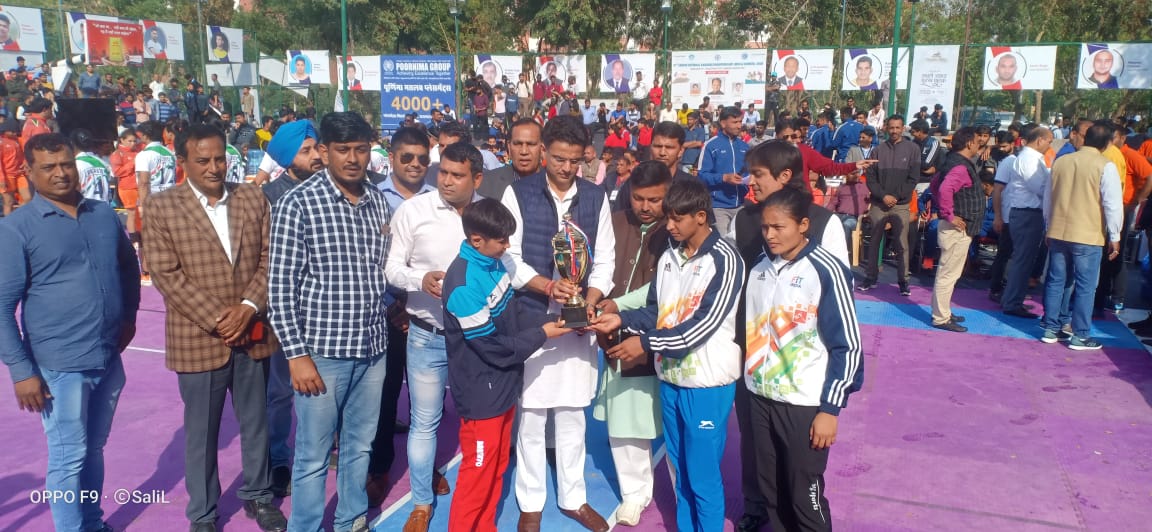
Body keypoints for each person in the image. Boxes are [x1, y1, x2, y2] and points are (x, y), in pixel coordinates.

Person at [142, 124, 287, 532]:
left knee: (256, 422)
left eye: (219, 158)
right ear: (182, 162)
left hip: (253, 331)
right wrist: (222, 319)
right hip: (198, 338)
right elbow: (167, 275)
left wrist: (247, 307)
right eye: (203, 160)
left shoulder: (252, 198)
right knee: (202, 433)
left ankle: (259, 497)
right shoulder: (161, 207)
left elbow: (269, 259)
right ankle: (203, 512)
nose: (214, 167)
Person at [0, 133, 140, 532]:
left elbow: (128, 268)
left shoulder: (101, 213)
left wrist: (128, 316)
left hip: (106, 356)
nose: (61, 173)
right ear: (28, 171)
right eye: (49, 167)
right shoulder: (16, 229)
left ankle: (93, 523)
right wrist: (22, 371)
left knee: (93, 450)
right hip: (58, 366)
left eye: (66, 164)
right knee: (67, 457)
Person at [589, 178, 744, 532]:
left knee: (702, 476)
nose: (669, 226)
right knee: (681, 473)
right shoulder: (670, 258)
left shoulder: (726, 260)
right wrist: (622, 319)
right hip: (671, 380)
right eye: (668, 219)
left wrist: (643, 344)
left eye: (677, 219)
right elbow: (656, 311)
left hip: (707, 384)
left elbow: (702, 326)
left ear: (702, 216)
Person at [269, 112, 392, 532]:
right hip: (321, 355)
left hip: (373, 350)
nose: (353, 158)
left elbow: (380, 270)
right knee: (312, 454)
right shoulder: (297, 203)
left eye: (361, 149)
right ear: (324, 152)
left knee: (360, 446)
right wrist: (297, 355)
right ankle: (304, 525)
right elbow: (280, 287)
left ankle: (350, 518)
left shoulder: (378, 200)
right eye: (343, 150)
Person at [500, 115, 614, 532]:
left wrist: (590, 300)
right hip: (532, 316)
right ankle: (530, 501)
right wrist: (548, 286)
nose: (567, 168)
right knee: (530, 414)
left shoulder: (596, 196)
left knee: (571, 413)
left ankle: (573, 497)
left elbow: (605, 260)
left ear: (586, 158)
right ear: (545, 152)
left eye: (575, 161)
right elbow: (508, 257)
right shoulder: (518, 192)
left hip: (578, 323)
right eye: (560, 159)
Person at [442, 199, 571, 532]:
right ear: (476, 239)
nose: (508, 246)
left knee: (497, 466)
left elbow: (511, 320)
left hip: (502, 386)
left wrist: (551, 320)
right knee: (477, 475)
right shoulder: (463, 285)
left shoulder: (493, 263)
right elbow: (493, 348)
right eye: (502, 240)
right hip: (481, 395)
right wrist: (543, 333)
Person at [743, 184, 863, 532]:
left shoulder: (827, 270)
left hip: (804, 403)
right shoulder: (759, 267)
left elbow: (848, 345)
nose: (770, 235)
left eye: (779, 227)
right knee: (771, 490)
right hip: (760, 397)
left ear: (803, 225)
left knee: (804, 494)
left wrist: (830, 409)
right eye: (765, 227)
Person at [384, 142, 485, 530]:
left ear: (476, 178)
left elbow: (507, 264)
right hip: (426, 336)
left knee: (475, 420)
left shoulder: (488, 213)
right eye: (442, 172)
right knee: (424, 421)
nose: (445, 181)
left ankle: (477, 497)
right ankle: (422, 503)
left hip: (476, 339)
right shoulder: (413, 211)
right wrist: (419, 281)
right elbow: (391, 269)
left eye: (456, 175)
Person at [590, 161, 670, 526]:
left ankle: (683, 496)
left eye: (654, 199)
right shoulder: (616, 220)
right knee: (625, 418)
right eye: (639, 198)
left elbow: (660, 292)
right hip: (613, 331)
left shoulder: (679, 227)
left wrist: (618, 306)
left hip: (665, 333)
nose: (646, 206)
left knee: (673, 424)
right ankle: (634, 494)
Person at [257, 120, 322, 498]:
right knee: (281, 390)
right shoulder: (267, 197)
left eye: (316, 148)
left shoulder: (335, 190)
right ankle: (279, 458)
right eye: (305, 151)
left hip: (326, 311)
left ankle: (320, 447)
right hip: (286, 313)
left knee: (325, 388)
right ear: (285, 158)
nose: (315, 156)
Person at [928, 127, 984, 332]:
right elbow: (942, 189)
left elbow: (935, 186)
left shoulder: (951, 163)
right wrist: (950, 214)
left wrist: (947, 212)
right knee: (948, 274)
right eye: (978, 141)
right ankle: (941, 317)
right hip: (955, 229)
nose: (980, 145)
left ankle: (943, 312)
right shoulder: (960, 167)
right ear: (969, 143)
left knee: (949, 272)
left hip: (954, 227)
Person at [858, 115, 921, 295]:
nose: (894, 131)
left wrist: (896, 196)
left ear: (903, 128)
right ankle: (870, 278)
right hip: (879, 203)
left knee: (902, 244)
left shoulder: (913, 149)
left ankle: (903, 281)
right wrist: (883, 195)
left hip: (901, 205)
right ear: (886, 128)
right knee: (874, 242)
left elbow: (913, 178)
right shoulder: (877, 150)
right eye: (891, 127)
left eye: (897, 127)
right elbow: (870, 177)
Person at [999, 126, 1053, 319]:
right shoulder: (1029, 159)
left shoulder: (1030, 158)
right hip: (1027, 213)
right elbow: (1039, 187)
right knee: (1023, 260)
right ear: (1040, 140)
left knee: (1022, 260)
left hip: (1027, 213)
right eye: (1049, 141)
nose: (1050, 145)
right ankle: (1012, 302)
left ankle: (1012, 299)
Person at [698, 106, 749, 234]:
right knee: (723, 243)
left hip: (741, 205)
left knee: (740, 244)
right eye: (735, 122)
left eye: (740, 122)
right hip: (718, 207)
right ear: (723, 123)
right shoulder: (711, 145)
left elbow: (749, 173)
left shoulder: (744, 146)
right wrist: (724, 178)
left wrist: (748, 181)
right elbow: (701, 175)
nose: (739, 126)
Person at [480, 119, 543, 199]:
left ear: (542, 148)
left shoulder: (555, 184)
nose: (524, 151)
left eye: (531, 144)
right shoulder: (487, 182)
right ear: (509, 147)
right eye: (517, 144)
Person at [72, 129, 114, 203]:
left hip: (87, 208)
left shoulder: (75, 164)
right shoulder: (103, 163)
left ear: (72, 144)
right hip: (105, 207)